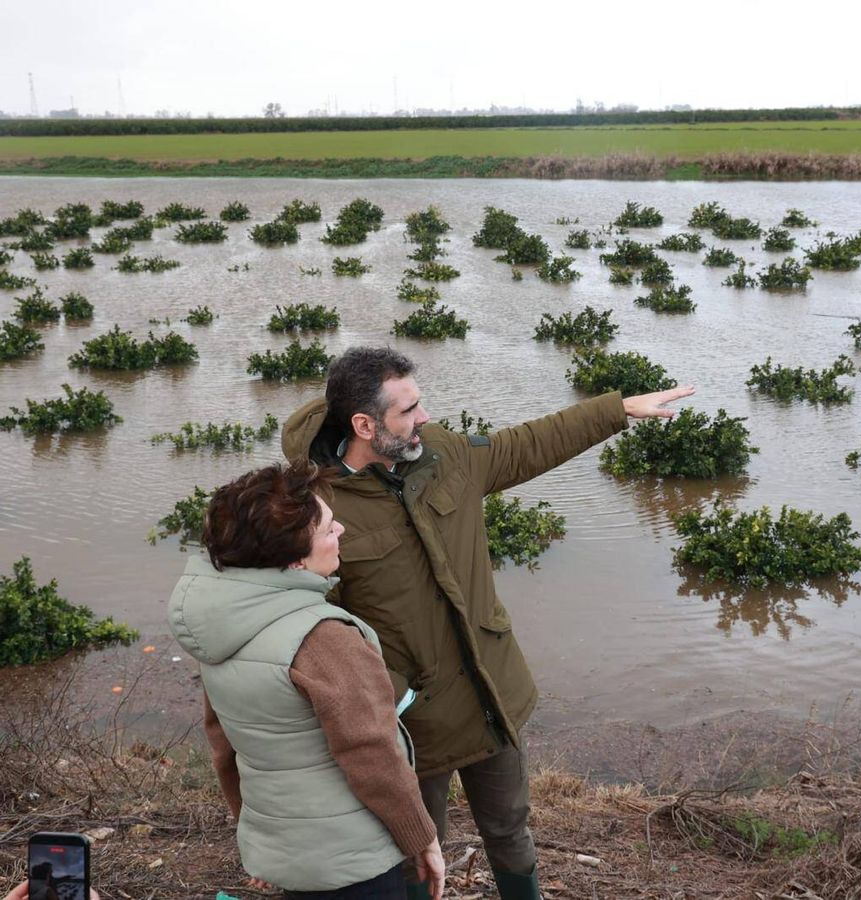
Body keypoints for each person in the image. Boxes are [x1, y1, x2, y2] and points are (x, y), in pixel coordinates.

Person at [282, 346, 694, 899]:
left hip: (488, 693)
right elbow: (312, 625)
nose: (424, 417)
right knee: (412, 857)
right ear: (364, 424)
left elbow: (525, 445)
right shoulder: (320, 507)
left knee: (510, 832)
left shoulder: (443, 454)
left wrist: (616, 410)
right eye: (408, 410)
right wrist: (394, 699)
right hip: (409, 724)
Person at [166, 462, 445, 899]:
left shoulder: (219, 625)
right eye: (329, 529)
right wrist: (423, 838)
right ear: (296, 559)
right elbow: (371, 752)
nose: (343, 531)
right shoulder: (324, 638)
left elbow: (225, 746)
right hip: (354, 862)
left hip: (295, 858)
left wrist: (261, 841)